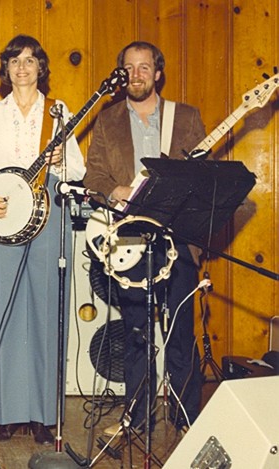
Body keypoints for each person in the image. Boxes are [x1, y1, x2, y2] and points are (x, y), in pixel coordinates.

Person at [83, 41, 204, 435]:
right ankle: (137, 419)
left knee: (180, 334)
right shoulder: (108, 119)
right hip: (130, 241)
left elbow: (203, 177)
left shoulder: (185, 117)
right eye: (129, 68)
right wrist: (116, 189)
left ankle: (186, 418)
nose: (136, 75)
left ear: (157, 73)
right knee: (136, 334)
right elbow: (93, 176)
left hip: (178, 239)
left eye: (144, 67)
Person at [0, 35, 85, 444]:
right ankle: (9, 413)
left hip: (47, 211)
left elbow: (79, 169)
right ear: (6, 68)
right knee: (6, 310)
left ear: (41, 67)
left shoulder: (57, 113)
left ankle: (42, 414)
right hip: (2, 215)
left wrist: (61, 159)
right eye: (15, 60)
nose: (22, 67)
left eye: (30, 60)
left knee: (45, 307)